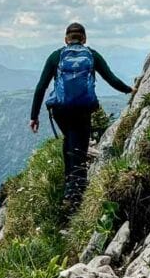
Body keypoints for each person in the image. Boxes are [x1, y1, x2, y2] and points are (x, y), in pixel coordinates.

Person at [30, 22, 133, 210]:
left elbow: (41, 87)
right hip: (83, 109)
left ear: (66, 39)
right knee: (79, 148)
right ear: (84, 38)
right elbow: (111, 79)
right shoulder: (92, 55)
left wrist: (34, 116)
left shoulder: (56, 56)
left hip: (61, 110)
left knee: (70, 140)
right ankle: (74, 198)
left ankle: (70, 187)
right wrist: (130, 90)